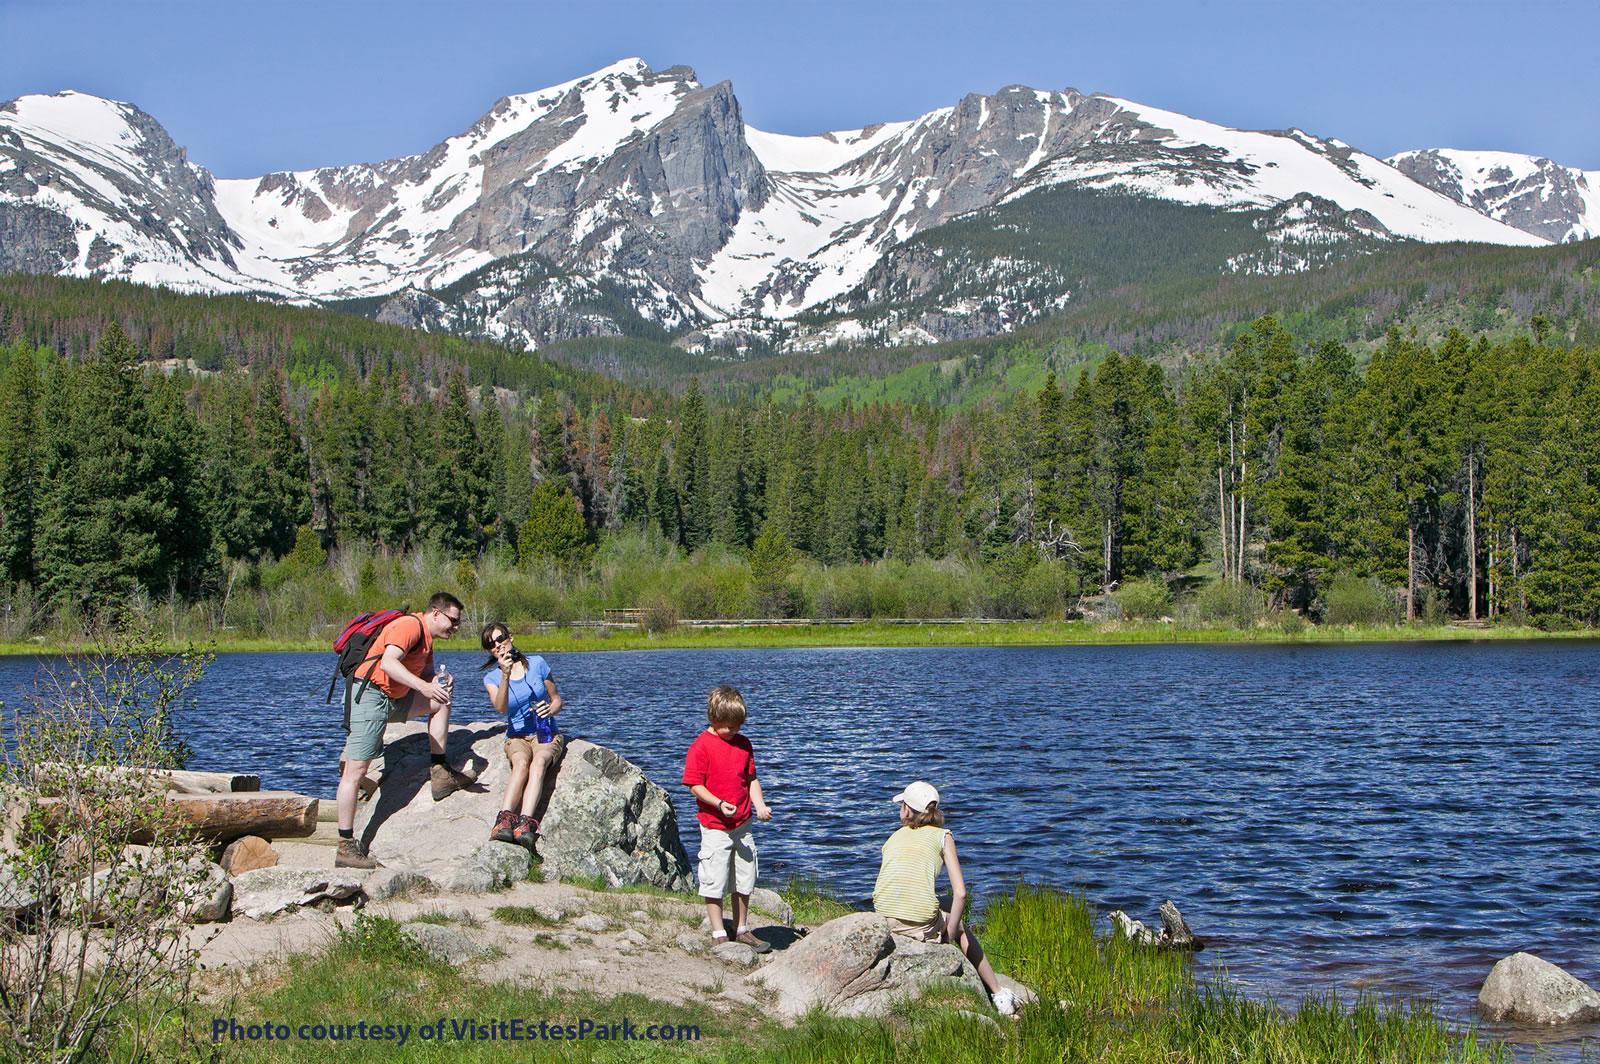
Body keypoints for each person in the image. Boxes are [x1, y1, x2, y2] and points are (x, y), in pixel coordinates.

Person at [334, 591, 476, 869]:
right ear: (436, 613)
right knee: (356, 770)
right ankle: (345, 845)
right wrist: (425, 687)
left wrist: (438, 682)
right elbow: (388, 662)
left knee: (441, 700)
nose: (455, 628)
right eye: (453, 621)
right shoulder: (409, 626)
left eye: (458, 623)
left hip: (395, 698)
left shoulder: (428, 640)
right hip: (370, 696)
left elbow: (427, 678)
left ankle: (439, 771)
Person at [872, 780, 1016, 1015]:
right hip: (917, 924)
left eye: (902, 805)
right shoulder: (943, 836)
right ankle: (998, 993)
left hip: (885, 918)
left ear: (907, 810)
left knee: (945, 903)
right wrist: (950, 931)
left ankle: (995, 990)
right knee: (959, 923)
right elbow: (961, 892)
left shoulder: (893, 838)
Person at [682, 685, 772, 953]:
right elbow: (694, 785)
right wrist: (718, 803)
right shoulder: (701, 747)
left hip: (742, 824)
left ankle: (742, 928)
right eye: (728, 727)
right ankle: (719, 930)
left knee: (745, 877)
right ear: (713, 719)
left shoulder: (744, 744)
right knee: (715, 877)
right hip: (715, 826)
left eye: (737, 726)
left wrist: (760, 805)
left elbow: (751, 778)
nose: (734, 732)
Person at [480, 621, 564, 851]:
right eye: (491, 644)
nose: (498, 645)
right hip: (516, 736)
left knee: (539, 763)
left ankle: (526, 823)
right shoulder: (491, 678)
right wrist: (505, 675)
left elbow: (557, 699)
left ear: (510, 638)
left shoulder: (537, 663)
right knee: (521, 764)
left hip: (544, 732)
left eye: (500, 639)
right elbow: (500, 707)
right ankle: (504, 820)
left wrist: (551, 708)